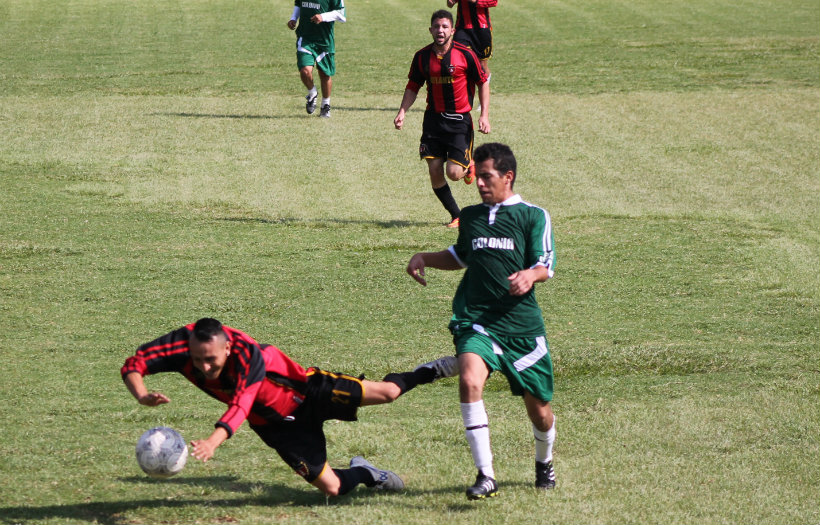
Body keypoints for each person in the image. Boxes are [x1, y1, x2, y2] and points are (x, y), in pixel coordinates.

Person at [121, 317, 458, 496]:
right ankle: (369, 473)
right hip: (277, 425)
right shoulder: (179, 347)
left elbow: (241, 403)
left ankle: (431, 370)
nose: (204, 368)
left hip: (309, 390)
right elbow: (133, 364)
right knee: (334, 488)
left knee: (387, 393)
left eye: (210, 360)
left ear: (226, 348)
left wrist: (213, 441)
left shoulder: (247, 354)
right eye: (197, 360)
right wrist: (141, 394)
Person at [405, 142, 557, 500]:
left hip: (521, 327)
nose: (479, 183)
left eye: (487, 176)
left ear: (508, 176)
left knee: (540, 413)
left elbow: (545, 264)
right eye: (477, 176)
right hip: (476, 321)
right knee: (470, 379)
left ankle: (544, 461)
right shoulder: (472, 217)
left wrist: (530, 276)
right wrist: (423, 256)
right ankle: (486, 475)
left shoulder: (534, 217)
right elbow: (460, 256)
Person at [394, 9, 490, 229]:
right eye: (437, 27)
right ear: (430, 30)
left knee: (454, 173)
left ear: (453, 30)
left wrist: (484, 114)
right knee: (434, 169)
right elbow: (413, 86)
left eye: (445, 27)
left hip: (459, 122)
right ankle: (456, 215)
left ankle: (469, 164)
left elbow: (483, 82)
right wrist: (402, 111)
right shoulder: (422, 57)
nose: (440, 31)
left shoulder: (465, 54)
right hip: (433, 122)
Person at [287, 0, 346, 118]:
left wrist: (323, 16)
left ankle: (325, 105)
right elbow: (299, 4)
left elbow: (341, 15)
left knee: (324, 74)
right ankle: (312, 92)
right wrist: (293, 18)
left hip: (324, 41)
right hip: (305, 38)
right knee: (305, 71)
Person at [447, 0, 497, 80]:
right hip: (462, 28)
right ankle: (464, 90)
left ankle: (484, 90)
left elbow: (494, 2)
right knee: (457, 60)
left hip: (481, 28)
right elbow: (449, 4)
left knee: (481, 65)